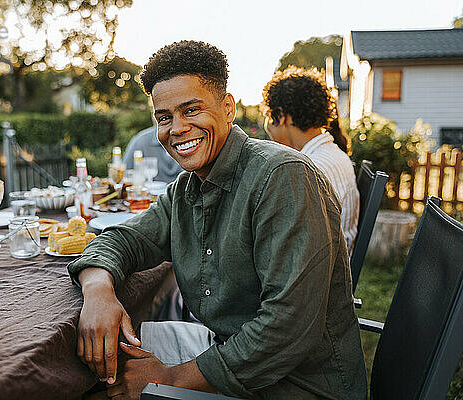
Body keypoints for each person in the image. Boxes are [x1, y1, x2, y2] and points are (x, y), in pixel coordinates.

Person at [68, 41, 367, 400]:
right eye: (164, 117)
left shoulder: (283, 176)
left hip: (295, 385)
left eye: (191, 110)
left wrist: (169, 378)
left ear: (228, 108)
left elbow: (287, 328)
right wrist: (98, 290)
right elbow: (123, 239)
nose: (176, 128)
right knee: (91, 354)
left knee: (102, 384)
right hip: (223, 346)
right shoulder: (187, 189)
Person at [262, 66, 359, 253]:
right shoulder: (328, 153)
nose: (267, 124)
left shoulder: (312, 167)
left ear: (281, 116)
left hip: (321, 271)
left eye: (267, 114)